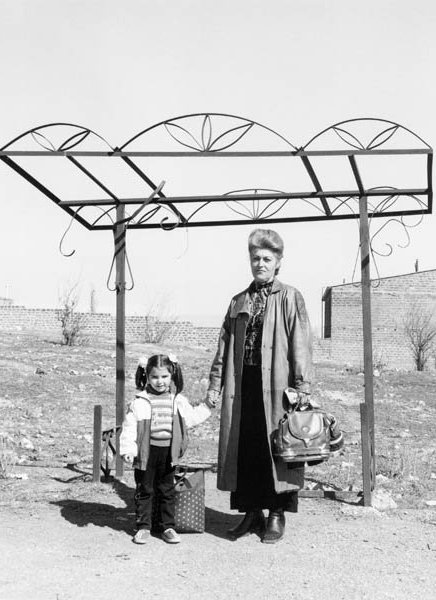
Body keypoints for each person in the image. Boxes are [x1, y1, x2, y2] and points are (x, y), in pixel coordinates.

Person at [205, 228, 314, 544]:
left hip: (279, 387)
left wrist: (302, 388)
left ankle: (276, 515)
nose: (260, 264)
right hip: (242, 387)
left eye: (267, 258)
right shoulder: (238, 300)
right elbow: (223, 348)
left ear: (278, 262)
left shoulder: (290, 297)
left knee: (279, 450)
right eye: (256, 258)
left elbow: (302, 345)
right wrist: (214, 386)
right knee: (246, 449)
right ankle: (251, 513)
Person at [120, 353, 212, 545]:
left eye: (164, 376)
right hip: (146, 453)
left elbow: (192, 418)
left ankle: (167, 526)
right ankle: (143, 527)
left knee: (167, 490)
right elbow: (129, 428)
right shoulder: (139, 402)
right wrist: (128, 449)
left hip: (168, 453)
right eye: (154, 377)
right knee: (145, 490)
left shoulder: (177, 400)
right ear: (146, 376)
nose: (159, 381)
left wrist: (207, 406)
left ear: (172, 376)